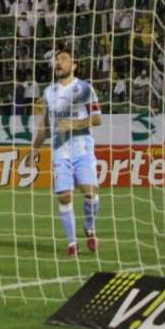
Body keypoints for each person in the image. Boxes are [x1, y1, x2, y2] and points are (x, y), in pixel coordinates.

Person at [24, 48, 102, 256]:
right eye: (57, 59)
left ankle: (89, 227)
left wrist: (75, 124)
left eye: (64, 59)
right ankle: (72, 243)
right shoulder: (49, 92)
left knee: (89, 192)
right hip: (60, 150)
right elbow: (45, 127)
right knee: (65, 197)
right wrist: (33, 152)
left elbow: (97, 119)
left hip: (83, 147)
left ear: (74, 65)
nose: (59, 62)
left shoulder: (85, 88)